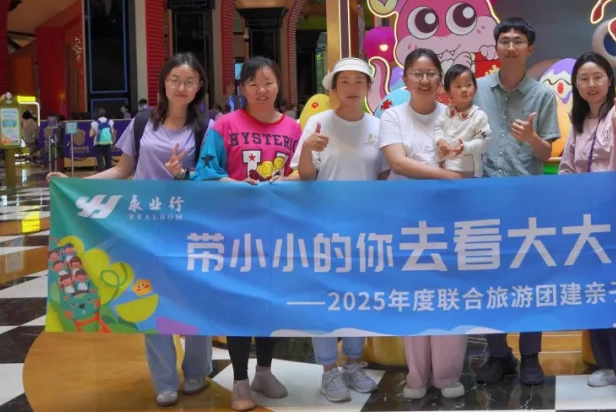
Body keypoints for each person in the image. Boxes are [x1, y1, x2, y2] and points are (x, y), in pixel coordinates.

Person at [49, 52, 213, 407]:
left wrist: (183, 174)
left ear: (199, 86)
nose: (181, 87)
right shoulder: (142, 123)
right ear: (164, 82)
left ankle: (197, 370)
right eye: (175, 79)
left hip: (189, 228)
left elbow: (209, 179)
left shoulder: (205, 128)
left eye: (189, 81)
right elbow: (122, 170)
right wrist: (74, 184)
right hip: (145, 228)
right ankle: (165, 380)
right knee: (151, 299)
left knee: (194, 300)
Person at [195, 56, 300, 411]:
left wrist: (289, 180)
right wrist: (237, 186)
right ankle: (239, 381)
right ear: (242, 89)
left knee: (271, 305)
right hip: (234, 232)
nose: (261, 90)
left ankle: (264, 372)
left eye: (268, 82)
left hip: (278, 232)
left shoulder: (294, 128)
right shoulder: (224, 125)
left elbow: (304, 173)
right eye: (253, 83)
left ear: (279, 86)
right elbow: (205, 172)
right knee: (238, 306)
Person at [472, 17, 560, 386]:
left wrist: (531, 139)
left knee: (529, 282)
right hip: (483, 201)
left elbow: (547, 152)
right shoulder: (476, 89)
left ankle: (530, 356)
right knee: (489, 281)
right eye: (504, 40)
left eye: (518, 40)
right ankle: (498, 354)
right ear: (496, 47)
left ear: (530, 48)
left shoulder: (543, 95)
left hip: (527, 203)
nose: (510, 46)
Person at [291, 57, 384, 402]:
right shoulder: (318, 123)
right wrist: (307, 149)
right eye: (344, 81)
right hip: (324, 228)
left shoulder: (378, 127)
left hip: (365, 230)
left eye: (359, 81)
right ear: (333, 88)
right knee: (326, 299)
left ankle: (353, 363)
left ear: (368, 87)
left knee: (360, 297)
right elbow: (305, 175)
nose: (352, 88)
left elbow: (383, 176)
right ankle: (329, 369)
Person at [558, 53, 616, 409]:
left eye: (597, 77)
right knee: (596, 292)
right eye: (584, 79)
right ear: (576, 85)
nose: (591, 84)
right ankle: (609, 364)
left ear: (610, 79)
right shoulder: (578, 121)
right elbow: (567, 166)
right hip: (586, 223)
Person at [379, 48, 467, 399]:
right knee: (413, 296)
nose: (425, 80)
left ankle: (447, 375)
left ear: (440, 79)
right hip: (405, 220)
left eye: (432, 73)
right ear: (406, 78)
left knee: (449, 295)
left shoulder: (454, 115)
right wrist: (443, 175)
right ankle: (416, 376)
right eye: (418, 73)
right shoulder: (393, 116)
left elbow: (464, 162)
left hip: (448, 219)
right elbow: (398, 163)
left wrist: (447, 174)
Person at [435, 65, 491, 177]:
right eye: (458, 86)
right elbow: (438, 128)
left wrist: (465, 147)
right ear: (448, 91)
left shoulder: (478, 115)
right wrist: (440, 140)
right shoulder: (445, 113)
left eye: (468, 85)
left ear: (475, 88)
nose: (464, 89)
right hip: (445, 169)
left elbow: (486, 141)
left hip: (469, 172)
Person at [89, 107, 116, 172]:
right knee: (108, 160)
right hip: (108, 143)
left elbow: (90, 135)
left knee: (100, 161)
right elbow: (112, 132)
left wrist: (96, 134)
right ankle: (109, 174)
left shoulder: (94, 123)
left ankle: (102, 174)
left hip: (98, 144)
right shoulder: (110, 122)